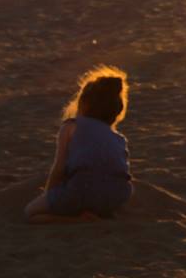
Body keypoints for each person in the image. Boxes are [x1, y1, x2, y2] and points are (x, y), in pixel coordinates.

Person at [24, 66, 133, 223]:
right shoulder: (119, 138)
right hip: (117, 197)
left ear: (83, 103)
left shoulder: (70, 126)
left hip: (82, 191)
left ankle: (78, 220)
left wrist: (49, 194)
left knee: (31, 213)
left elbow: (59, 168)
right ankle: (102, 213)